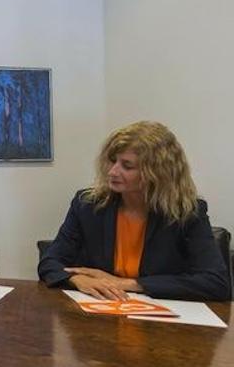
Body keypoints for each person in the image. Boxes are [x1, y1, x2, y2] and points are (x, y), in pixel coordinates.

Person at [38, 121, 230, 301]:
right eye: (112, 161)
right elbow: (50, 262)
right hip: (98, 315)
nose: (112, 172)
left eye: (127, 166)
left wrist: (128, 284)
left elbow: (216, 283)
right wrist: (77, 280)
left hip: (162, 325)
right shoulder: (87, 204)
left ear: (158, 173)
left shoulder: (188, 213)